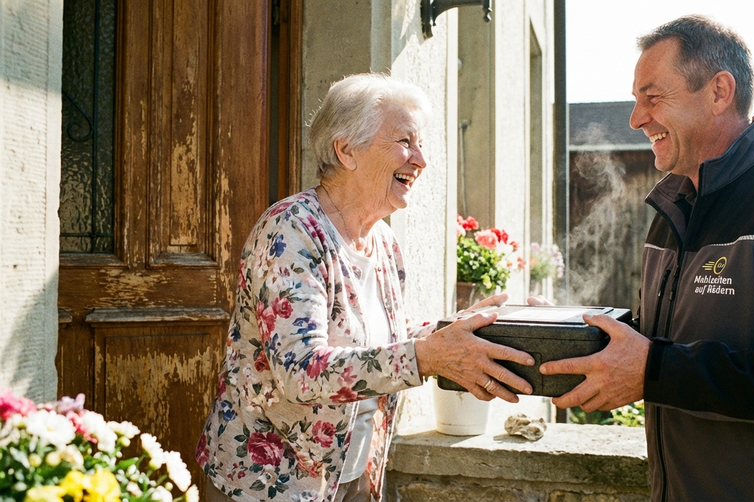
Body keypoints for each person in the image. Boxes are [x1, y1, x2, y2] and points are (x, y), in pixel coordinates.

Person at [540, 15, 754, 501]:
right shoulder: (673, 209)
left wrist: (655, 370)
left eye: (652, 98)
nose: (636, 119)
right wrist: (563, 331)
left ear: (720, 91)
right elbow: (671, 341)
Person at [195, 73, 534, 502]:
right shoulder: (292, 231)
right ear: (346, 150)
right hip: (266, 485)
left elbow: (386, 341)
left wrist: (465, 329)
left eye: (421, 143)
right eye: (405, 141)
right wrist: (427, 357)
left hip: (351, 478)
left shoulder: (383, 242)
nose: (421, 160)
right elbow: (301, 370)